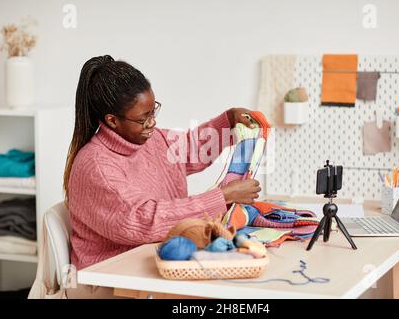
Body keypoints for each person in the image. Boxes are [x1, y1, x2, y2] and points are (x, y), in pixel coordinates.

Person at [63, 55, 261, 298]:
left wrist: (228, 120)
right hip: (106, 280)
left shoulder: (150, 139)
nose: (152, 122)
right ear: (112, 121)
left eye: (153, 110)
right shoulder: (96, 167)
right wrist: (222, 196)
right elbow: (144, 221)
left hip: (149, 262)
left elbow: (190, 148)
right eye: (143, 118)